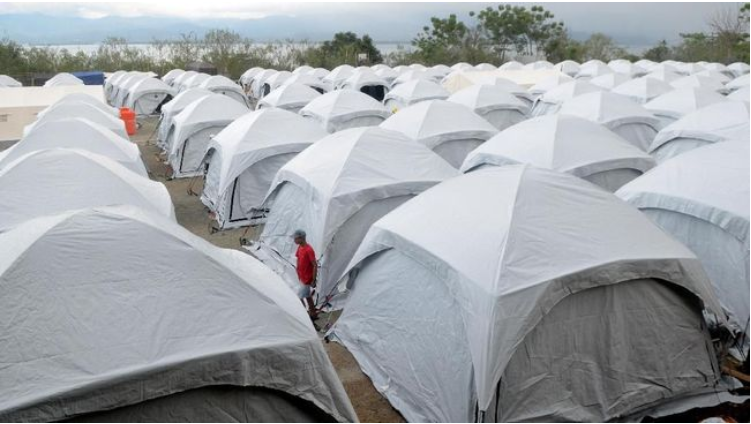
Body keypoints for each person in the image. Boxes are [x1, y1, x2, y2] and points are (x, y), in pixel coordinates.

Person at [293, 229, 318, 319]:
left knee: (299, 297)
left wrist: (313, 279)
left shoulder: (309, 250)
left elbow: (315, 265)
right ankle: (313, 313)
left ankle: (303, 316)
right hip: (302, 277)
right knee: (307, 296)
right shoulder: (300, 247)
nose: (294, 240)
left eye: (296, 238)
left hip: (307, 279)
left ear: (301, 238)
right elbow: (298, 258)